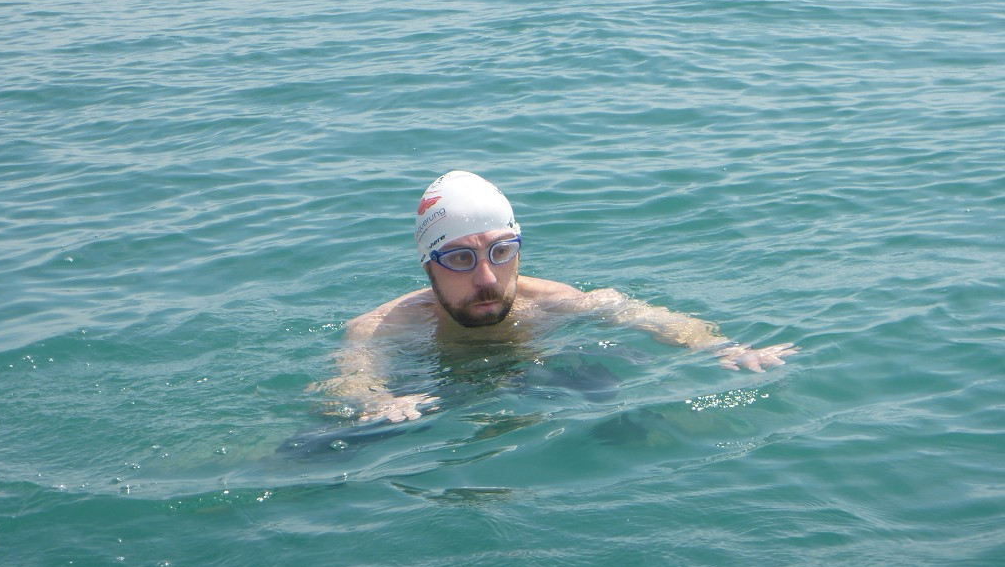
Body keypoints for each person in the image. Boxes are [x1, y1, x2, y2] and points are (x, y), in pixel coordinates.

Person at [314, 171, 798, 423]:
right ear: (427, 265)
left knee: (616, 399)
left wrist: (725, 348)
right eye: (460, 259)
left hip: (539, 374)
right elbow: (350, 377)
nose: (486, 277)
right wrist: (372, 404)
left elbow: (640, 313)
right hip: (432, 389)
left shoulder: (550, 300)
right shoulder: (385, 326)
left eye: (501, 252)